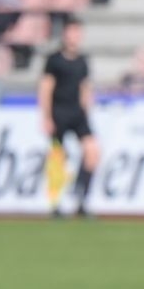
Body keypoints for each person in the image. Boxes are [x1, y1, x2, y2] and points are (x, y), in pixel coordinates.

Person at [39, 19, 98, 219]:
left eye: (78, 32)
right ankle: (55, 203)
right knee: (58, 158)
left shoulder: (82, 60)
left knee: (92, 152)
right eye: (72, 32)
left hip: (77, 113)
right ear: (65, 34)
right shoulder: (54, 60)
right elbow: (46, 87)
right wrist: (46, 116)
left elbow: (85, 87)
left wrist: (87, 110)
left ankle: (81, 198)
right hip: (59, 113)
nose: (75, 37)